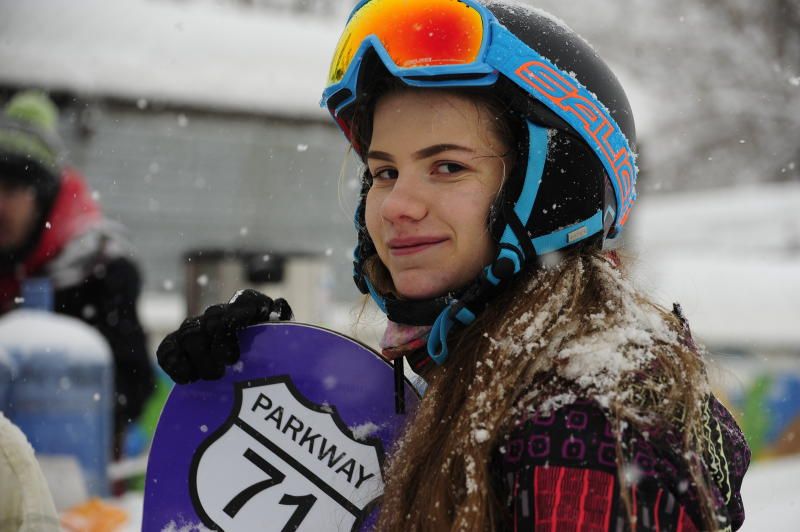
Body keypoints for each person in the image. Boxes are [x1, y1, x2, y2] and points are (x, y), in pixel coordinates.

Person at [157, 1, 750, 530]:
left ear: (550, 192)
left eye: (447, 167)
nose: (397, 206)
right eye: (385, 172)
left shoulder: (581, 437)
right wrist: (252, 384)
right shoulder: (494, 377)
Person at [0, 90, 155, 455]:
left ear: (41, 196)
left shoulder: (99, 268)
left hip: (76, 472)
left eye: (11, 189)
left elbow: (133, 384)